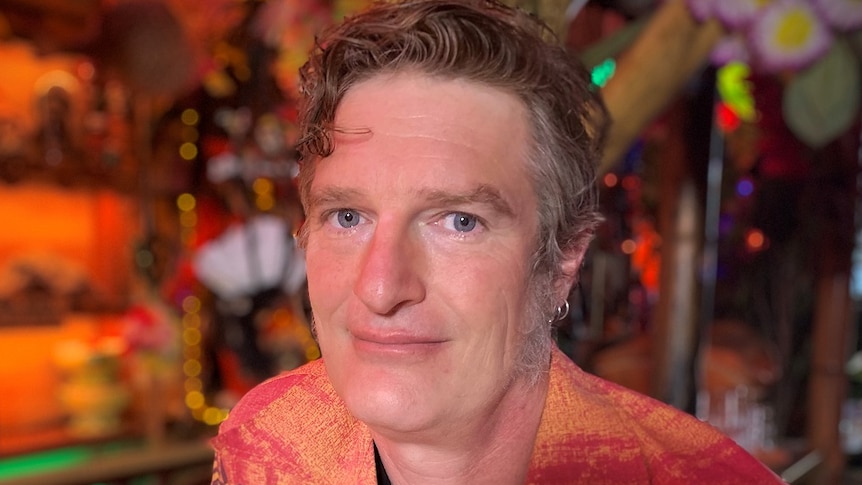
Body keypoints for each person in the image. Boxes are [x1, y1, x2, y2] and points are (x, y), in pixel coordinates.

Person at [210, 0, 784, 483]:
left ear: (562, 262)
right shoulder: (268, 443)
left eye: (459, 221)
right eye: (347, 217)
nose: (381, 287)